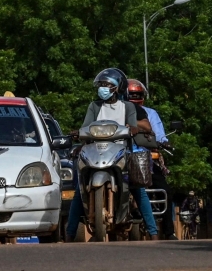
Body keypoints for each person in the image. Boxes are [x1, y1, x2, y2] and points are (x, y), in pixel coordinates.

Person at [65, 68, 159, 241]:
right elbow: (86, 126)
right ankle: (69, 234)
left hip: (121, 149)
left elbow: (131, 128)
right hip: (95, 149)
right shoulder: (94, 106)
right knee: (80, 189)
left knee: (137, 188)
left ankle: (153, 232)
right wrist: (78, 135)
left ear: (118, 87)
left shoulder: (128, 107)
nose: (103, 88)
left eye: (107, 85)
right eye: (101, 85)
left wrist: (135, 129)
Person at [126, 79, 176, 239]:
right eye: (131, 94)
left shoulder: (150, 113)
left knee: (165, 191)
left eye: (137, 94)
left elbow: (158, 133)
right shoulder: (117, 111)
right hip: (119, 158)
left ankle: (169, 232)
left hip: (145, 159)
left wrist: (164, 142)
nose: (134, 97)